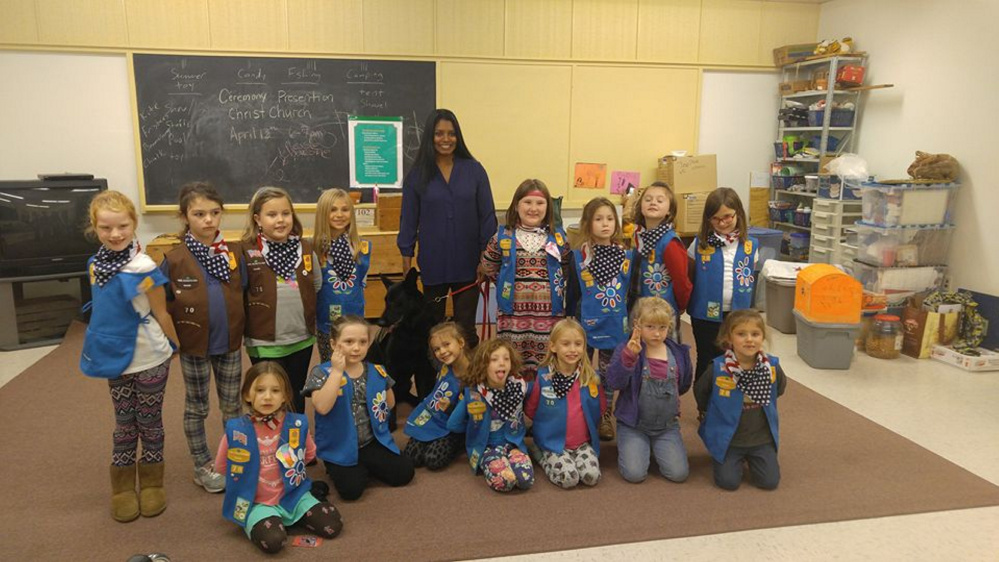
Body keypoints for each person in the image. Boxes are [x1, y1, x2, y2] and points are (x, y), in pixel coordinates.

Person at [79, 190, 179, 522]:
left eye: (122, 226)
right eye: (106, 228)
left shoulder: (144, 266)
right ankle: (122, 487)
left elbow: (162, 313)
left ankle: (152, 483)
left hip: (149, 356)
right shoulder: (95, 264)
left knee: (149, 421)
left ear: (134, 224)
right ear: (95, 227)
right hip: (113, 356)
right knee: (124, 423)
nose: (115, 234)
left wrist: (176, 346)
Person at [161, 181, 246, 494]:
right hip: (194, 346)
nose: (208, 220)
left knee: (232, 406)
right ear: (185, 217)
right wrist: (174, 342)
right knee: (197, 407)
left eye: (214, 212)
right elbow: (164, 304)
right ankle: (202, 464)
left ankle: (235, 459)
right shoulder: (174, 259)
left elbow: (244, 292)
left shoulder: (234, 252)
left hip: (230, 343)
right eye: (199, 214)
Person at [215, 362, 343, 554]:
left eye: (275, 390)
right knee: (274, 542)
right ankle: (265, 520)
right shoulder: (236, 431)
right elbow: (222, 467)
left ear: (285, 396)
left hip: (294, 495)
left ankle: (291, 515)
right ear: (247, 394)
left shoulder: (297, 424)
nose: (267, 396)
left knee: (333, 525)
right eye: (260, 390)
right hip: (255, 502)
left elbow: (308, 456)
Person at [398, 108, 497, 348]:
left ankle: (468, 381)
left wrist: (486, 258)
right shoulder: (417, 175)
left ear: (458, 136)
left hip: (469, 261)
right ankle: (438, 381)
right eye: (439, 133)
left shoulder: (474, 170)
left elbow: (487, 216)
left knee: (465, 329)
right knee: (434, 327)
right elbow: (408, 219)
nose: (446, 139)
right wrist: (406, 257)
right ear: (430, 136)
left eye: (451, 134)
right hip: (434, 261)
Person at [303, 315, 414, 501]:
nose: (356, 348)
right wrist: (337, 372)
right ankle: (343, 466)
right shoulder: (321, 373)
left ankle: (363, 464)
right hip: (339, 444)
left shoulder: (376, 370)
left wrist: (384, 384)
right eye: (348, 341)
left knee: (404, 473)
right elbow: (322, 407)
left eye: (363, 342)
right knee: (351, 491)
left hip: (370, 441)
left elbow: (390, 404)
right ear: (333, 344)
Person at [479, 179, 570, 380]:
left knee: (546, 364)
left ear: (548, 207)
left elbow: (566, 268)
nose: (533, 208)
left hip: (548, 317)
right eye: (527, 202)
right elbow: (488, 265)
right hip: (513, 316)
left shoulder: (559, 237)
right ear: (517, 205)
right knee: (512, 362)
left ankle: (541, 402)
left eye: (540, 203)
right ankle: (514, 402)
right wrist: (505, 283)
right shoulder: (503, 236)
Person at [240, 186, 320, 414]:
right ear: (258, 219)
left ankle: (295, 442)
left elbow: (316, 284)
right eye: (272, 214)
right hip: (265, 342)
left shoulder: (304, 248)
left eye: (286, 213)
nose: (280, 220)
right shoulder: (246, 252)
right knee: (268, 396)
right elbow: (240, 292)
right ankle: (269, 444)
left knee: (294, 391)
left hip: (301, 338)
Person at [695, 309, 786, 491]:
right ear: (729, 338)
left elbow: (779, 389)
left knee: (768, 482)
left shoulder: (772, 367)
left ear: (763, 337)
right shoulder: (718, 368)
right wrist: (709, 414)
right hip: (729, 438)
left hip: (761, 438)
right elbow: (701, 392)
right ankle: (722, 454)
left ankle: (755, 456)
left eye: (755, 334)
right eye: (741, 334)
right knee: (728, 483)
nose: (749, 339)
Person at [565, 197, 633, 441]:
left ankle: (605, 415)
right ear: (587, 223)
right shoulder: (578, 257)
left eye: (610, 218)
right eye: (598, 219)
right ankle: (579, 411)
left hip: (615, 324)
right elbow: (572, 292)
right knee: (579, 368)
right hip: (584, 323)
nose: (605, 224)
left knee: (607, 374)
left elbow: (631, 293)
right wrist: (569, 322)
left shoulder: (627, 257)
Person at [605, 297, 693, 484]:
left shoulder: (679, 353)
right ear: (637, 325)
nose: (656, 333)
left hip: (667, 427)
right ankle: (637, 445)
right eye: (650, 327)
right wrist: (629, 357)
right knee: (635, 474)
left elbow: (684, 385)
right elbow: (614, 382)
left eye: (662, 327)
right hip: (633, 424)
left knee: (679, 474)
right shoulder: (627, 348)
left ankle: (655, 446)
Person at [687, 187, 759, 381]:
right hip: (704, 315)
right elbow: (690, 276)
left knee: (736, 359)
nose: (722, 223)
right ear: (708, 219)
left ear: (738, 214)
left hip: (738, 314)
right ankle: (704, 406)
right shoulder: (698, 244)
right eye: (716, 219)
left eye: (728, 216)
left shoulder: (750, 246)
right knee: (707, 357)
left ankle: (728, 404)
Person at [525, 319, 606, 489]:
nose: (572, 349)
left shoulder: (590, 377)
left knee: (591, 477)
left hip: (582, 443)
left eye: (578, 344)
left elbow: (600, 408)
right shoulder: (543, 378)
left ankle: (571, 458)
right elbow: (531, 410)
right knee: (569, 479)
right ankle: (540, 454)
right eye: (566, 344)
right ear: (553, 347)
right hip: (553, 444)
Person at [447, 338, 534, 493]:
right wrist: (474, 430)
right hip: (487, 447)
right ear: (483, 366)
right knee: (505, 482)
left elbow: (535, 402)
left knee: (525, 480)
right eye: (494, 359)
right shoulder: (474, 393)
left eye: (506, 359)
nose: (501, 363)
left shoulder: (519, 388)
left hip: (514, 444)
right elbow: (453, 424)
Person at [313, 188, 370, 363]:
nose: (339, 215)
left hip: (355, 321)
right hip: (327, 324)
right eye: (333, 209)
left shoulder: (362, 248)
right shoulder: (314, 250)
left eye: (345, 210)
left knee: (356, 368)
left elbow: (362, 282)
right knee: (331, 368)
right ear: (323, 213)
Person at [627, 182, 691, 337]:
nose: (653, 202)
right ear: (640, 207)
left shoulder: (670, 243)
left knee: (665, 353)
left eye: (659, 200)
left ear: (669, 210)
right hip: (639, 306)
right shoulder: (640, 237)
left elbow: (681, 280)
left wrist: (681, 305)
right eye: (648, 199)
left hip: (662, 311)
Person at [402, 322, 469, 470]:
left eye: (446, 345)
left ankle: (459, 442)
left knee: (433, 460)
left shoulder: (473, 376)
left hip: (456, 424)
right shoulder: (444, 366)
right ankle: (429, 436)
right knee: (411, 458)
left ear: (461, 342)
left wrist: (450, 409)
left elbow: (473, 412)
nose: (442, 352)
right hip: (433, 416)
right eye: (437, 349)